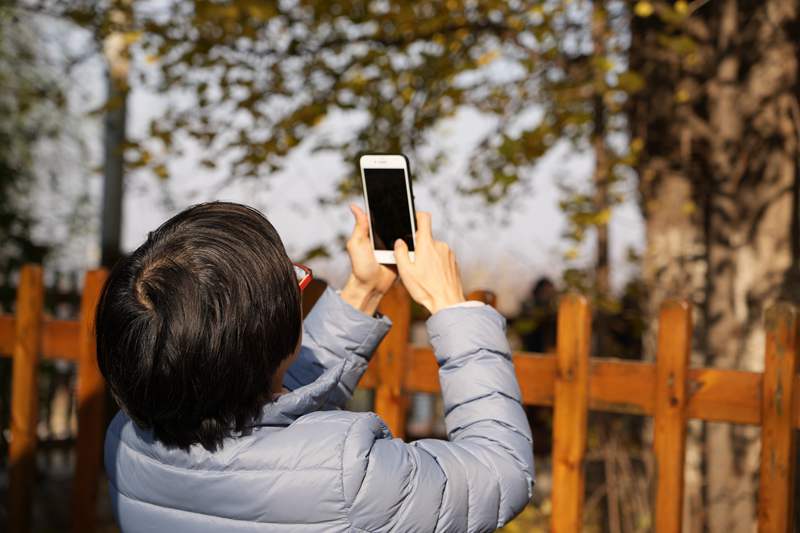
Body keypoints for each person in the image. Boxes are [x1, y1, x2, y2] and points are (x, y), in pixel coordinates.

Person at [98, 201, 534, 532]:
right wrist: (452, 307)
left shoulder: (127, 441)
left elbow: (262, 406)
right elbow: (502, 471)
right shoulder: (349, 477)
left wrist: (362, 292)